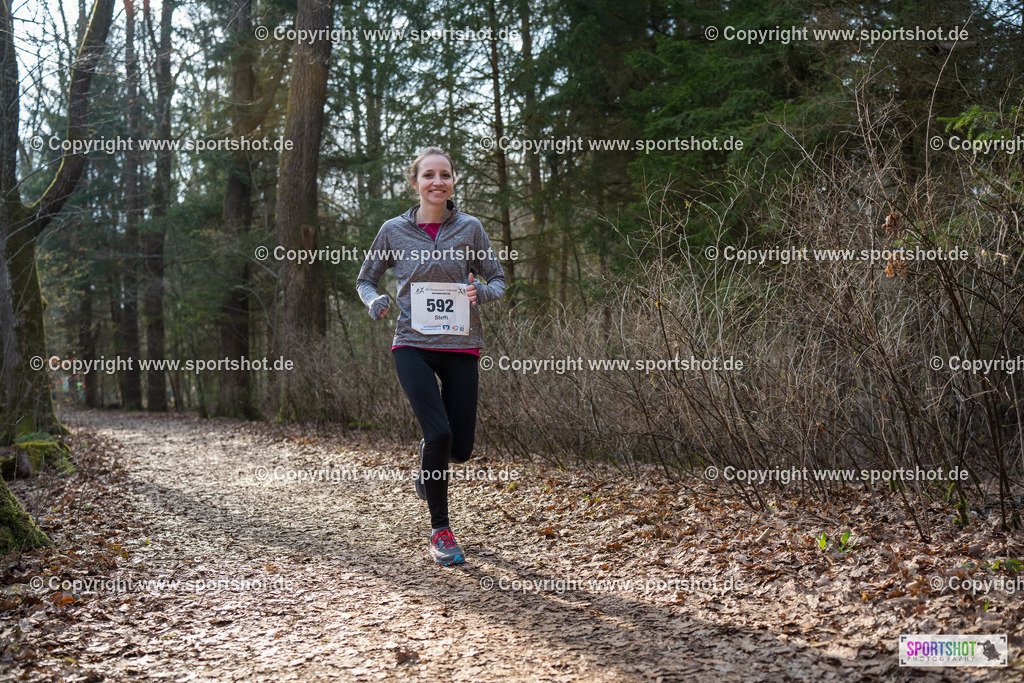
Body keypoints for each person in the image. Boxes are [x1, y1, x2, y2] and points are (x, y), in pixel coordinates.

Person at [356, 147, 506, 566]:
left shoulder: (470, 228)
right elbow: (366, 280)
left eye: (445, 175)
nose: (437, 182)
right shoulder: (393, 230)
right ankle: (441, 530)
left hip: (461, 346)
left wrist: (482, 293)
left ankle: (429, 461)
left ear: (453, 181)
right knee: (439, 434)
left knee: (460, 449)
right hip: (412, 345)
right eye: (428, 175)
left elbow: (497, 279)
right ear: (415, 183)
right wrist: (374, 301)